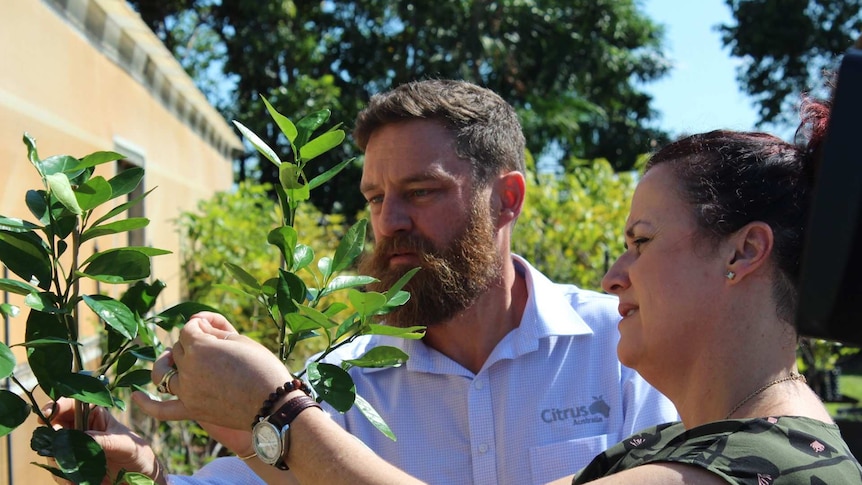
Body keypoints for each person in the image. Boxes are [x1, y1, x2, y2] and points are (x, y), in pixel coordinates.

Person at [134, 92, 862, 484]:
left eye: (641, 242)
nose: (613, 274)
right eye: (373, 196)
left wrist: (278, 406)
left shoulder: (746, 465)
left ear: (745, 251)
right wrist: (232, 420)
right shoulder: (686, 442)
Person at [47, 79, 676, 485]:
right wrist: (143, 469)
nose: (389, 222)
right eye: (374, 198)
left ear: (507, 199)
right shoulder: (344, 381)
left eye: (420, 191)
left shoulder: (621, 348)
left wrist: (277, 410)